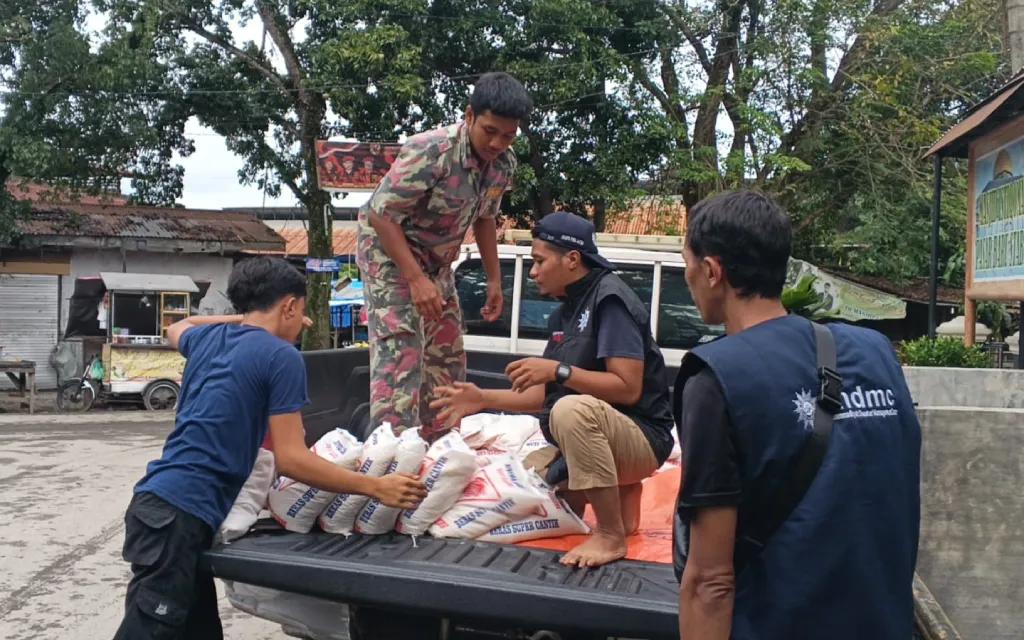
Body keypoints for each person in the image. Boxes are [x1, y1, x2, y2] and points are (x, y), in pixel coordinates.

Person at [114, 256, 427, 640]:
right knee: (149, 631)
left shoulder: (207, 339)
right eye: (298, 311)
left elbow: (178, 326)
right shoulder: (281, 357)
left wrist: (246, 320)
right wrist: (375, 487)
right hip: (178, 515)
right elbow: (292, 459)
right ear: (290, 306)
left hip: (161, 507)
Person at [672, 190, 921, 639]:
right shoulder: (876, 351)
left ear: (712, 271)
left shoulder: (717, 378)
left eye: (687, 262)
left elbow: (711, 582)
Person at [431, 212, 675, 568]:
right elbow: (545, 395)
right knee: (528, 477)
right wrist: (481, 399)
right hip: (609, 434)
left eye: (539, 261)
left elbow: (627, 389)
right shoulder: (565, 313)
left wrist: (559, 370)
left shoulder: (610, 300)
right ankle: (624, 500)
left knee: (570, 411)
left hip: (643, 438)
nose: (533, 272)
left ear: (572, 259)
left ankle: (610, 535)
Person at [357, 71, 533, 441]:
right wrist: (415, 279)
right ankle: (392, 458)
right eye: (490, 131)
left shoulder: (502, 164)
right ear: (469, 115)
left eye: (508, 135)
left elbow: (486, 218)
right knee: (402, 356)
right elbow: (381, 213)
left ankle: (440, 449)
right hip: (390, 257)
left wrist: (494, 280)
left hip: (437, 264)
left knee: (447, 356)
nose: (498, 142)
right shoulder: (431, 151)